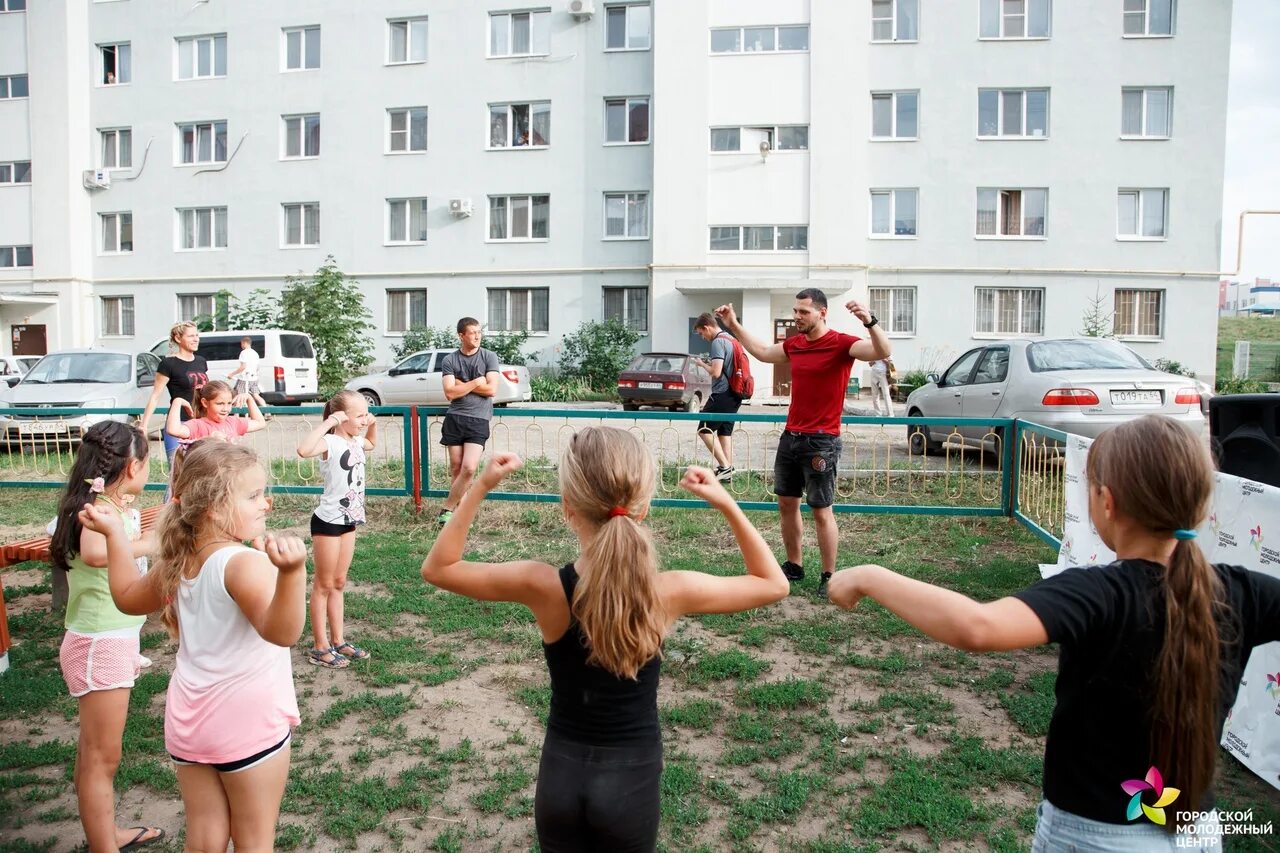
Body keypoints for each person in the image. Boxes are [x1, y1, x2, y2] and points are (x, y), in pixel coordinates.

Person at [826, 415, 1280, 850]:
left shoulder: (1096, 593)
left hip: (1094, 837)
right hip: (1199, 834)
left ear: (1108, 501)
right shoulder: (1241, 591)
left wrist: (871, 576)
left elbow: (978, 627)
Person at [421, 427, 788, 851]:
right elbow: (773, 583)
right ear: (643, 507)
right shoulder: (668, 592)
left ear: (567, 508)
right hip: (630, 783)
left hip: (560, 780)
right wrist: (726, 503)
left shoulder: (542, 585)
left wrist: (480, 485)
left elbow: (439, 569)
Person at [84, 442, 307, 853]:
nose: (267, 503)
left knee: (204, 836)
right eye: (254, 495)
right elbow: (283, 633)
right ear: (214, 507)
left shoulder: (178, 559)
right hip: (245, 724)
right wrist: (293, 574)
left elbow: (126, 597)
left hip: (190, 722)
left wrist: (115, 534)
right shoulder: (243, 563)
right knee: (254, 840)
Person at [715, 289, 890, 596]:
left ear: (822, 313)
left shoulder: (841, 344)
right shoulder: (795, 345)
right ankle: (794, 566)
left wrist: (870, 321)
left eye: (803, 312)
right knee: (786, 504)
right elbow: (764, 352)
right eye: (795, 311)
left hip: (822, 441)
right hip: (791, 436)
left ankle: (829, 575)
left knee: (821, 510)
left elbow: (881, 351)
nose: (796, 317)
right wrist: (734, 325)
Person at [49, 421, 166, 853]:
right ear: (133, 465)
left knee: (93, 754)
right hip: (101, 644)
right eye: (148, 462)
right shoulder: (98, 510)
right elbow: (97, 552)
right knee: (103, 758)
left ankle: (105, 834)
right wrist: (145, 544)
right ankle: (104, 846)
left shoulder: (103, 505)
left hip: (107, 640)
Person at [296, 389, 377, 668]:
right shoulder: (330, 441)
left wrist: (371, 422)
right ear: (341, 418)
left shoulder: (356, 441)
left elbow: (371, 444)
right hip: (328, 521)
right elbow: (304, 450)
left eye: (365, 413)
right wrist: (330, 422)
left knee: (339, 583)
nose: (364, 420)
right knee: (324, 584)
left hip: (349, 521)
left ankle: (339, 640)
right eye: (359, 416)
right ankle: (320, 647)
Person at [437, 317, 500, 525]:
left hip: (479, 419)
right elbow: (449, 393)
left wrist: (461, 384)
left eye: (479, 332)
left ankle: (446, 507)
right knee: (456, 468)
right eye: (472, 332)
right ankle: (460, 516)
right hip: (455, 418)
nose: (477, 336)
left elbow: (491, 389)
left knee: (469, 468)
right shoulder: (450, 360)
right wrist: (475, 381)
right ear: (461, 335)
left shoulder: (489, 357)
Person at [139, 321, 209, 498]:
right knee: (176, 475)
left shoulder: (201, 362)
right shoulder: (168, 363)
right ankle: (167, 518)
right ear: (178, 338)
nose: (196, 339)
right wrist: (144, 425)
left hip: (200, 424)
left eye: (197, 335)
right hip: (178, 424)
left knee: (201, 473)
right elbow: (155, 395)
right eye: (191, 336)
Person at [692, 312, 745, 481]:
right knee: (724, 432)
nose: (703, 337)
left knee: (704, 429)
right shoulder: (731, 339)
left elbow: (715, 372)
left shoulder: (718, 342)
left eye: (701, 333)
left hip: (722, 393)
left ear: (707, 327)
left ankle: (725, 467)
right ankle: (727, 471)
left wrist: (702, 364)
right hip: (736, 393)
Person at [165, 380, 267, 445]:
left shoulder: (233, 422)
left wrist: (249, 398)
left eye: (229, 403)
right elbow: (173, 430)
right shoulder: (197, 425)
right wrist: (177, 402)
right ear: (205, 403)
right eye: (220, 404)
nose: (225, 409)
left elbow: (260, 423)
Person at [226, 337, 270, 416]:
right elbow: (257, 367)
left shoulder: (244, 353)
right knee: (256, 395)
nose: (241, 345)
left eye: (241, 344)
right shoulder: (255, 353)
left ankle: (237, 415)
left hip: (245, 378)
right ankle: (267, 412)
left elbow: (243, 367)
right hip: (254, 378)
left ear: (244, 343)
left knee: (239, 395)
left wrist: (231, 374)